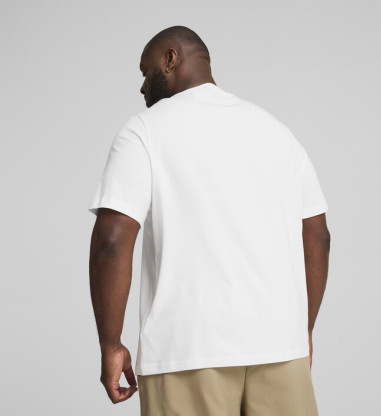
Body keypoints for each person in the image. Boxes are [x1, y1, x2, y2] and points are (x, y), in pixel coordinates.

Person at [88, 25, 331, 415]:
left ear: (170, 59)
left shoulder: (145, 131)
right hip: (281, 349)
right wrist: (303, 329)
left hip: (187, 352)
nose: (142, 86)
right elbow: (317, 238)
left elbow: (111, 241)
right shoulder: (277, 132)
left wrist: (110, 344)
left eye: (145, 70)